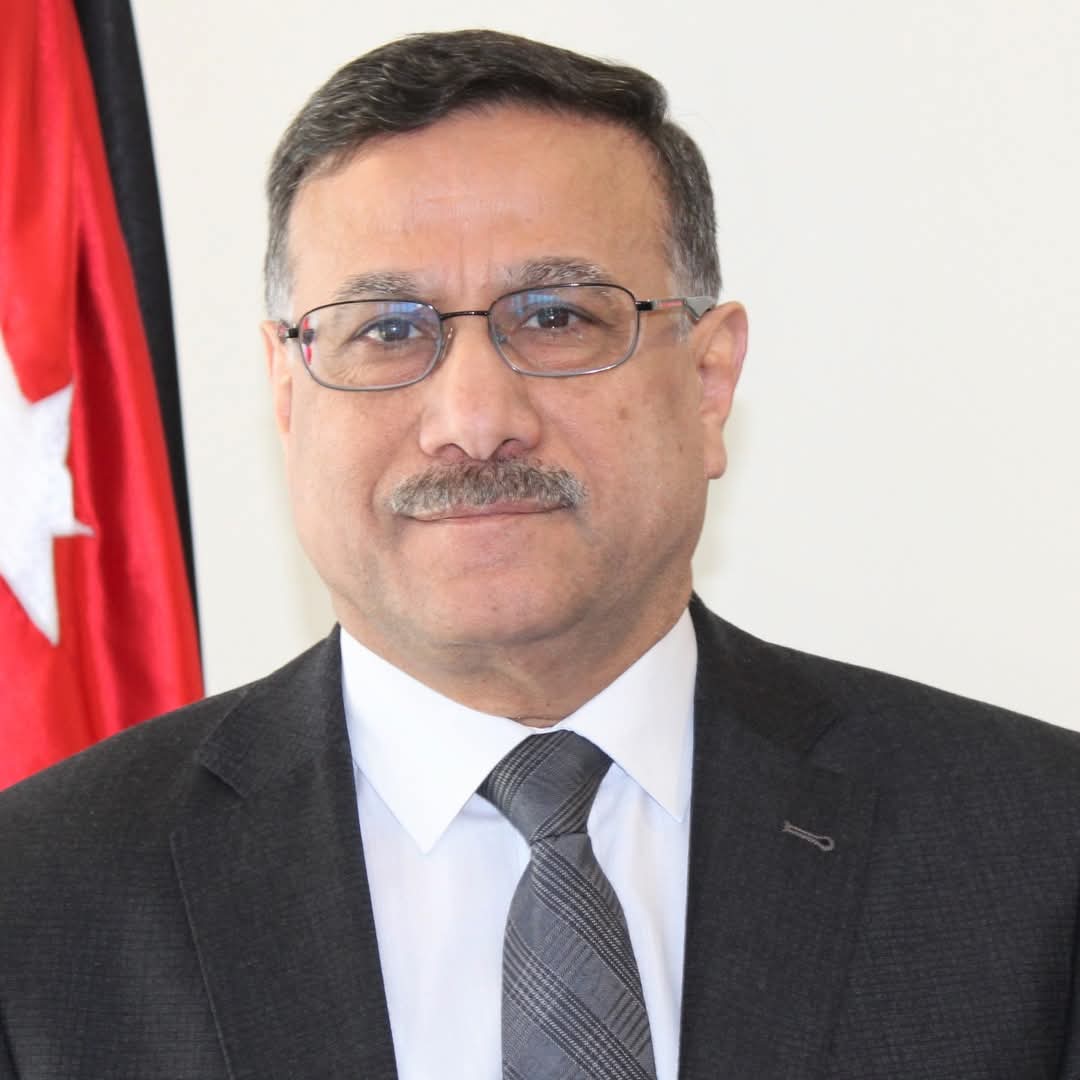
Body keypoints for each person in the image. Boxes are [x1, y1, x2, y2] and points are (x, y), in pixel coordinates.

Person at [1, 28, 1079, 1080]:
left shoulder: (1039, 852)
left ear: (708, 383)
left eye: (557, 317)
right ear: (288, 397)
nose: (474, 420)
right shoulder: (36, 906)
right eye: (387, 330)